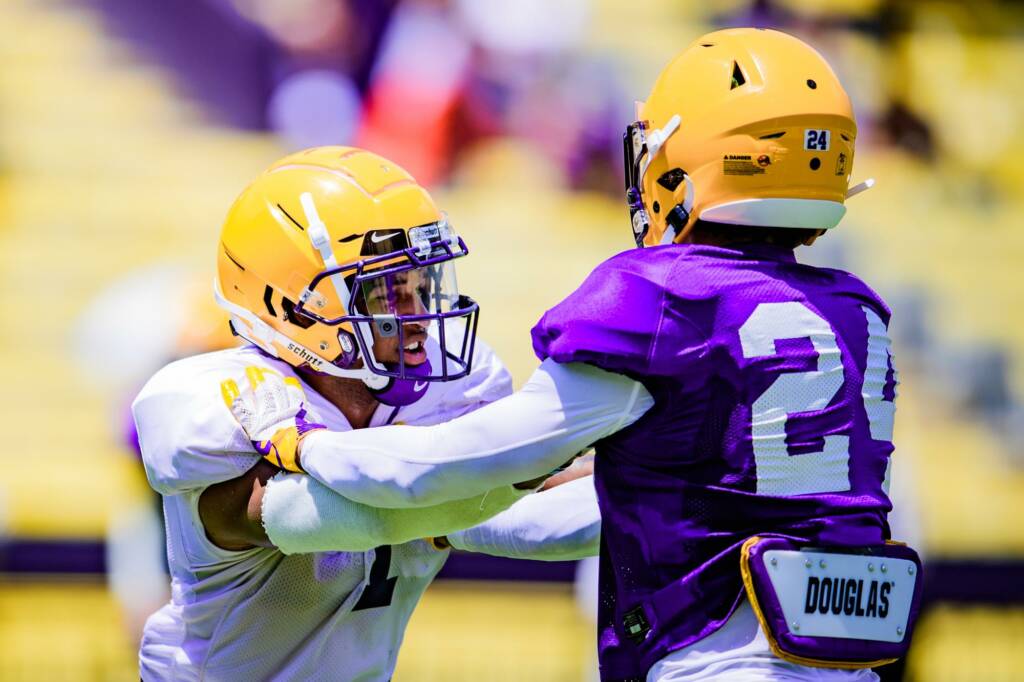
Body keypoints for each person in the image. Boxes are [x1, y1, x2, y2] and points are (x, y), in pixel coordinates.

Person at [228, 30, 923, 681]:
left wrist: (307, 445)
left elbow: (461, 461)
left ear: (690, 159)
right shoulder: (855, 311)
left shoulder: (667, 301)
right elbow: (632, 511)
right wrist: (453, 528)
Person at [132, 147, 623, 681]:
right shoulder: (239, 403)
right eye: (389, 292)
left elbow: (497, 512)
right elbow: (370, 512)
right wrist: (530, 453)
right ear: (297, 305)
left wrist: (680, 487)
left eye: (422, 287)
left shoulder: (439, 398)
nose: (420, 319)